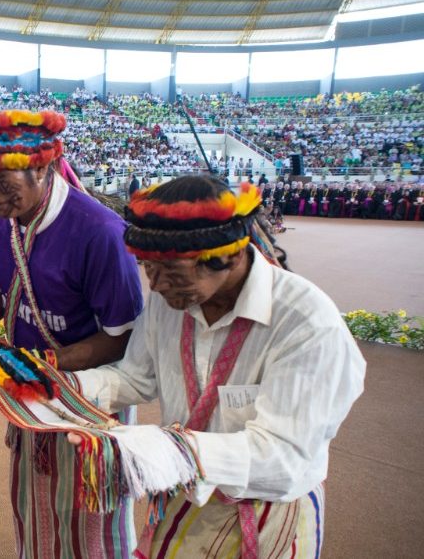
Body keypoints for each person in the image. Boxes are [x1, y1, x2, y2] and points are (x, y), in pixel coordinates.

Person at [69, 175, 365, 558]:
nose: (155, 286)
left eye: (172, 271)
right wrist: (60, 388)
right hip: (187, 500)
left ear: (231, 257)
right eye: (146, 267)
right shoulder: (170, 301)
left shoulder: (306, 322)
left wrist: (166, 449)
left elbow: (282, 456)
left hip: (268, 516)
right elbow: (135, 377)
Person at [0, 110, 143, 558]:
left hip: (90, 400)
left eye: (2, 183)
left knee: (91, 521)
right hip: (29, 394)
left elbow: (122, 337)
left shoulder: (99, 233)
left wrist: (49, 365)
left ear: (41, 168)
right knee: (33, 507)